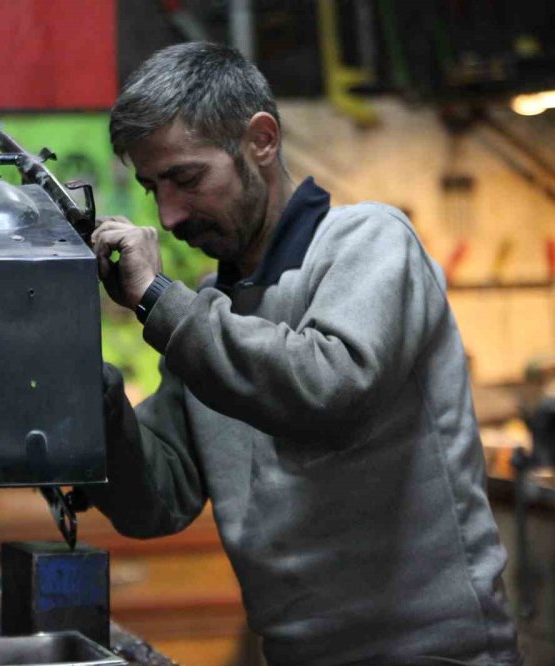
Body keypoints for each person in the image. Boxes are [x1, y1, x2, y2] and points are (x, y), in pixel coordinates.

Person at [88, 42, 520, 665]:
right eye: (153, 188)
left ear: (261, 141)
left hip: (432, 654)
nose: (170, 215)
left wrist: (159, 298)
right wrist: (88, 392)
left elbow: (329, 388)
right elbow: (159, 499)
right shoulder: (211, 314)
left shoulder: (369, 243)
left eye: (186, 179)